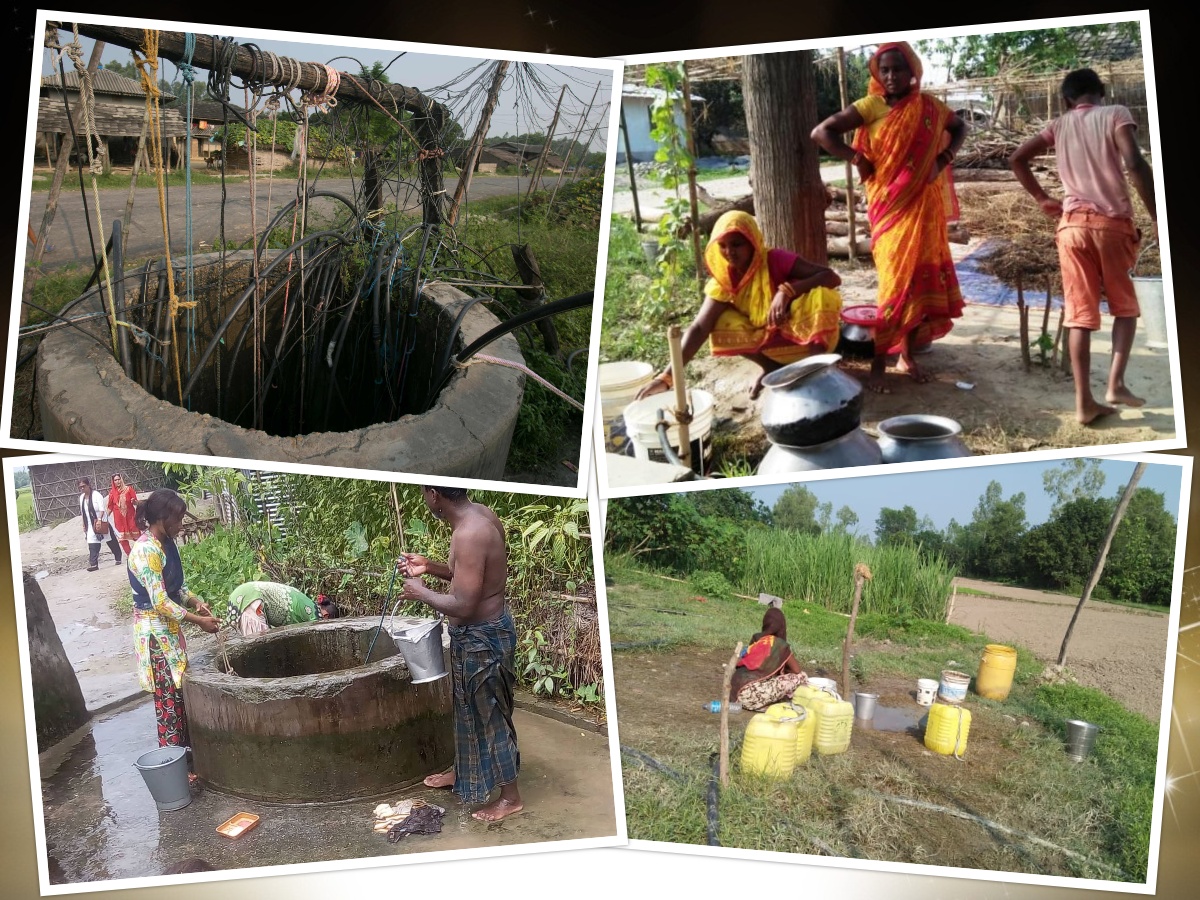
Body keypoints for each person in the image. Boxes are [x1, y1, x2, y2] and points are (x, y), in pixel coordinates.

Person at [811, 41, 967, 392]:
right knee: (894, 282)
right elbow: (822, 132)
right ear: (877, 74)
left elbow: (960, 128)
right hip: (889, 208)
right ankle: (880, 359)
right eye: (885, 70)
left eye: (899, 69)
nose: (892, 75)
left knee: (917, 281)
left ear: (913, 72)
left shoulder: (930, 107)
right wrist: (858, 159)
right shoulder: (870, 106)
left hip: (923, 207)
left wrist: (943, 160)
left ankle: (906, 355)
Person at [1010, 68, 1157, 425]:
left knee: (1079, 316)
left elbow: (1017, 158)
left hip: (1071, 228)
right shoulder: (1116, 114)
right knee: (1125, 308)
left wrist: (1043, 198)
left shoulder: (1058, 126)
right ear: (1101, 93)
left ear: (1066, 100)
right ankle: (1116, 384)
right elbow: (1134, 163)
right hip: (1112, 227)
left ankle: (1083, 404)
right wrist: (1157, 214)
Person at [396, 485, 522, 823]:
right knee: (466, 708)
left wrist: (421, 592)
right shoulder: (477, 516)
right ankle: (463, 772)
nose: (425, 499)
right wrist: (430, 567)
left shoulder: (470, 533)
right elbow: (468, 576)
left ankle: (510, 798)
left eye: (424, 493)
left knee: (489, 715)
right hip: (475, 636)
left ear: (435, 494)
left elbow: (465, 604)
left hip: (483, 638)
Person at [636, 210, 843, 402]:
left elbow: (831, 277)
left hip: (809, 344)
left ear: (752, 242)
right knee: (719, 320)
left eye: (736, 244)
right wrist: (666, 378)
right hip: (772, 348)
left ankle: (817, 373)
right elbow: (699, 327)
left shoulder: (775, 259)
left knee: (822, 296)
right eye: (723, 246)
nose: (729, 252)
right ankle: (773, 369)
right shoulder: (725, 280)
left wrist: (786, 291)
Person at [127, 490, 219, 777]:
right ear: (161, 518)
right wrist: (197, 620)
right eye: (177, 519)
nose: (181, 524)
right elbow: (160, 601)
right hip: (155, 635)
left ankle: (186, 761)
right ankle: (173, 771)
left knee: (180, 696)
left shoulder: (165, 543)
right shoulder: (145, 551)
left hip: (169, 631)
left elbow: (176, 588)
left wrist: (195, 601)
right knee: (168, 702)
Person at [730, 608, 807, 711]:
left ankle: (762, 703)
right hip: (751, 695)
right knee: (801, 677)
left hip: (736, 693)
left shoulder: (757, 638)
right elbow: (797, 670)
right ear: (782, 626)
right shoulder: (780, 644)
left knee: (768, 681)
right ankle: (763, 703)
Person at [223, 582, 340, 636]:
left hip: (247, 594)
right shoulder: (314, 614)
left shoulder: (307, 603)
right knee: (258, 645)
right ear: (326, 616)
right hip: (251, 599)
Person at [78, 477, 122, 571]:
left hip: (101, 521)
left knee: (110, 539)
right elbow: (83, 512)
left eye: (83, 486)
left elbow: (102, 509)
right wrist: (83, 524)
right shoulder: (81, 498)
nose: (82, 488)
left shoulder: (96, 495)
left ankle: (118, 557)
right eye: (80, 487)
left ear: (88, 485)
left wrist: (99, 520)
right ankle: (94, 564)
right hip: (90, 523)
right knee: (92, 542)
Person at [107, 472, 139, 556]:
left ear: (121, 479)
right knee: (122, 540)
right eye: (115, 480)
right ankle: (131, 556)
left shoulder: (129, 489)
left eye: (119, 479)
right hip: (119, 521)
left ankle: (141, 552)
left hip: (130, 518)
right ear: (113, 482)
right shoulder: (112, 493)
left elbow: (136, 502)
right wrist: (104, 517)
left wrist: (134, 501)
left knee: (137, 537)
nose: (118, 481)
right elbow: (110, 507)